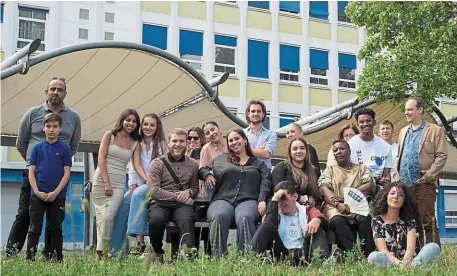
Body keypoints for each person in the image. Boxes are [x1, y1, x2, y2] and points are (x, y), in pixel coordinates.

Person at [6, 77, 81, 259]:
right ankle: (11, 254)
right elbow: (21, 144)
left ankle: (51, 256)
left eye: (60, 89)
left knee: (54, 221)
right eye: (52, 89)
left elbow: (73, 146)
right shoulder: (32, 113)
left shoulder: (73, 117)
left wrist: (56, 163)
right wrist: (36, 164)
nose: (56, 92)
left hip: (59, 178)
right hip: (33, 176)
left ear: (65, 93)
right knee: (25, 214)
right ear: (46, 92)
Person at [199, 128, 271, 257]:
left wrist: (261, 200)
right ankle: (218, 259)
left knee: (245, 217)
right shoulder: (221, 159)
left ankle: (247, 258)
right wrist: (207, 175)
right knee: (219, 215)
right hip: (222, 199)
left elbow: (266, 182)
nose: (234, 142)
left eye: (237, 138)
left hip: (248, 200)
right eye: (230, 140)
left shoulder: (258, 163)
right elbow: (203, 169)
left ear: (245, 140)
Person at [111, 113, 167, 256]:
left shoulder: (162, 146)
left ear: (157, 127)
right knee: (122, 206)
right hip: (140, 184)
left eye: (152, 125)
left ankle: (139, 243)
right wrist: (132, 184)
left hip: (158, 185)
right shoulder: (137, 143)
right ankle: (118, 251)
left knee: (137, 195)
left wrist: (150, 183)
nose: (148, 127)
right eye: (145, 124)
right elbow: (133, 166)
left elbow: (164, 170)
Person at [395, 97, 448, 246]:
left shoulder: (435, 130)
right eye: (405, 110)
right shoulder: (403, 131)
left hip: (424, 182)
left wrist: (428, 176)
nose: (406, 112)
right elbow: (399, 155)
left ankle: (433, 254)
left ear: (420, 110)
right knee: (412, 221)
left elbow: (442, 156)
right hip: (404, 184)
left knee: (427, 220)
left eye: (410, 109)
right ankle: (417, 253)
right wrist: (397, 176)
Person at [91, 109, 142, 260]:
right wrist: (106, 183)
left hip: (119, 184)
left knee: (108, 217)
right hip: (101, 181)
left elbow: (137, 165)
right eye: (128, 120)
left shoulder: (135, 144)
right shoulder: (109, 135)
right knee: (101, 218)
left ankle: (102, 251)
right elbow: (101, 158)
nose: (131, 124)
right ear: (122, 120)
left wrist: (146, 179)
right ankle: (100, 254)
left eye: (134, 121)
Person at [25, 113, 72, 262]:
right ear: (43, 128)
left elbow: (66, 174)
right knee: (34, 229)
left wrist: (55, 192)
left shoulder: (65, 149)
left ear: (60, 128)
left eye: (55, 126)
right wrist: (37, 192)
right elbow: (31, 172)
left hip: (57, 196)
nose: (51, 129)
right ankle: (30, 259)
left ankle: (57, 259)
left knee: (56, 229)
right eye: (48, 126)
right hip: (37, 196)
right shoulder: (37, 149)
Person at [147, 128, 199, 261]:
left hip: (181, 205)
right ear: (168, 143)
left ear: (186, 143)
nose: (178, 144)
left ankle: (187, 256)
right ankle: (157, 253)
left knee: (187, 220)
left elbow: (194, 188)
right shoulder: (157, 163)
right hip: (160, 202)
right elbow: (154, 190)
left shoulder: (193, 164)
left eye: (181, 141)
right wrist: (177, 196)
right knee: (156, 220)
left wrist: (188, 192)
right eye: (174, 141)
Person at [250, 181, 330, 266]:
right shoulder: (273, 213)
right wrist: (274, 200)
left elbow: (324, 221)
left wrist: (317, 219)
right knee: (266, 226)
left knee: (317, 226)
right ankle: (252, 259)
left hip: (303, 253)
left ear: (295, 196)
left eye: (283, 197)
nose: (280, 202)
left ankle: (323, 262)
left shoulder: (306, 210)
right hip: (281, 253)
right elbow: (267, 224)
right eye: (278, 198)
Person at [319, 140, 375, 257]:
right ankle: (354, 255)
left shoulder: (361, 168)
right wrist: (338, 205)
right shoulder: (330, 170)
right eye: (335, 150)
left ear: (349, 151)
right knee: (337, 221)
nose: (339, 152)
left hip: (358, 204)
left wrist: (346, 197)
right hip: (335, 206)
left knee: (365, 220)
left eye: (342, 149)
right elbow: (324, 189)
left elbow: (369, 185)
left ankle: (369, 256)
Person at [368, 182, 440, 267]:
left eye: (400, 195)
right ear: (385, 196)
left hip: (410, 261)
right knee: (373, 257)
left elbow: (410, 248)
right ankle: (411, 270)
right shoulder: (376, 221)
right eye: (392, 193)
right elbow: (383, 250)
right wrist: (400, 264)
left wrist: (405, 263)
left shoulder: (409, 220)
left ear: (404, 201)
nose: (396, 197)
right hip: (390, 262)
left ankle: (410, 269)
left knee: (434, 247)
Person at [348, 108, 393, 190]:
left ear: (374, 122)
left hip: (377, 189)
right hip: (355, 188)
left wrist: (385, 181)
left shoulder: (386, 147)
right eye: (362, 122)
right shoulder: (350, 145)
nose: (365, 124)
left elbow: (387, 176)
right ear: (357, 124)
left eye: (368, 121)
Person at [272, 137, 320, 207]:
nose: (299, 151)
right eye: (295, 149)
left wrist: (311, 197)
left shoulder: (315, 171)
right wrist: (300, 198)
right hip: (285, 207)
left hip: (309, 208)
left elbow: (317, 194)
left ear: (306, 151)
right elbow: (278, 191)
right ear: (290, 152)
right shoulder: (281, 167)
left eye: (302, 148)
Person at [243, 100, 278, 169]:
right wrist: (260, 150)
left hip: (264, 173)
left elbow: (267, 154)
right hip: (246, 171)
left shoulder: (271, 134)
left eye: (258, 111)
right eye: (253, 111)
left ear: (263, 114)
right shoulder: (242, 133)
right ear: (248, 114)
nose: (256, 114)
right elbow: (239, 153)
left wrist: (246, 150)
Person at [199, 121, 228, 200]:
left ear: (219, 128)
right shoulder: (206, 149)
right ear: (205, 137)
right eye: (207, 133)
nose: (211, 133)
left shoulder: (231, 142)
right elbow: (202, 170)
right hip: (216, 186)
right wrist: (207, 175)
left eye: (212, 129)